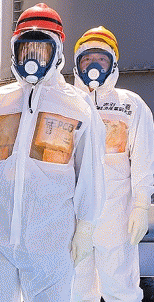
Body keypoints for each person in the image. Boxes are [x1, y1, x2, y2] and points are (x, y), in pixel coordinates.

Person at [0, 3, 106, 301]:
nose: (33, 59)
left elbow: (91, 172)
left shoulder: (77, 105)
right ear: (16, 51)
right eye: (26, 50)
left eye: (42, 50)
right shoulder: (1, 102)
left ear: (56, 51)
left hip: (50, 241)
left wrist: (86, 228)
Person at [71, 26, 154, 302]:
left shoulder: (131, 105)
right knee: (76, 290)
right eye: (86, 59)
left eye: (102, 59)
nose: (94, 65)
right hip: (74, 214)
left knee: (121, 290)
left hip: (115, 215)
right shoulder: (67, 104)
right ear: (76, 63)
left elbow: (143, 159)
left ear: (113, 64)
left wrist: (141, 205)